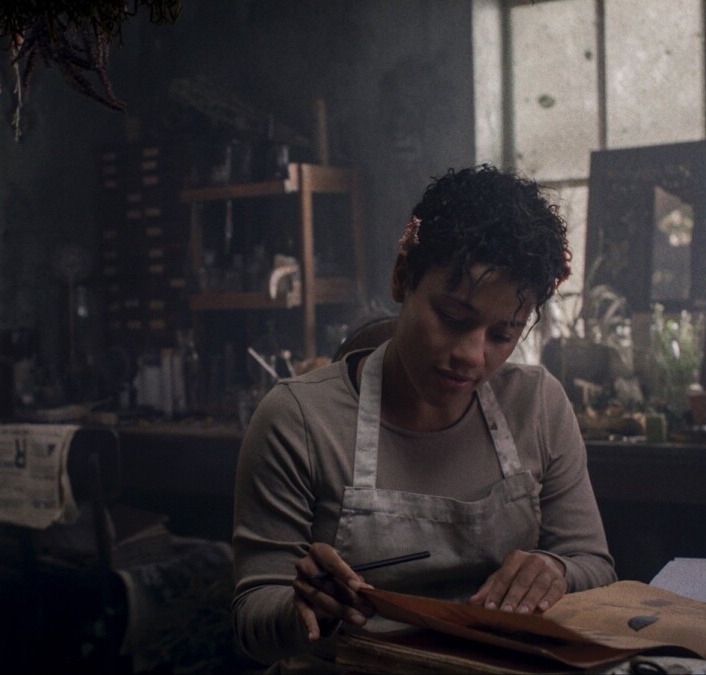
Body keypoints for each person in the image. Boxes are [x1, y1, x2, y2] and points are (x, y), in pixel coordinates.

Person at [231, 165, 617, 672]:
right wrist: (304, 608)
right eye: (454, 319)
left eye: (503, 334)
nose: (472, 356)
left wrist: (555, 568)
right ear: (401, 276)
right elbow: (251, 620)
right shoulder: (298, 420)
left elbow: (597, 567)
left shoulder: (538, 407)